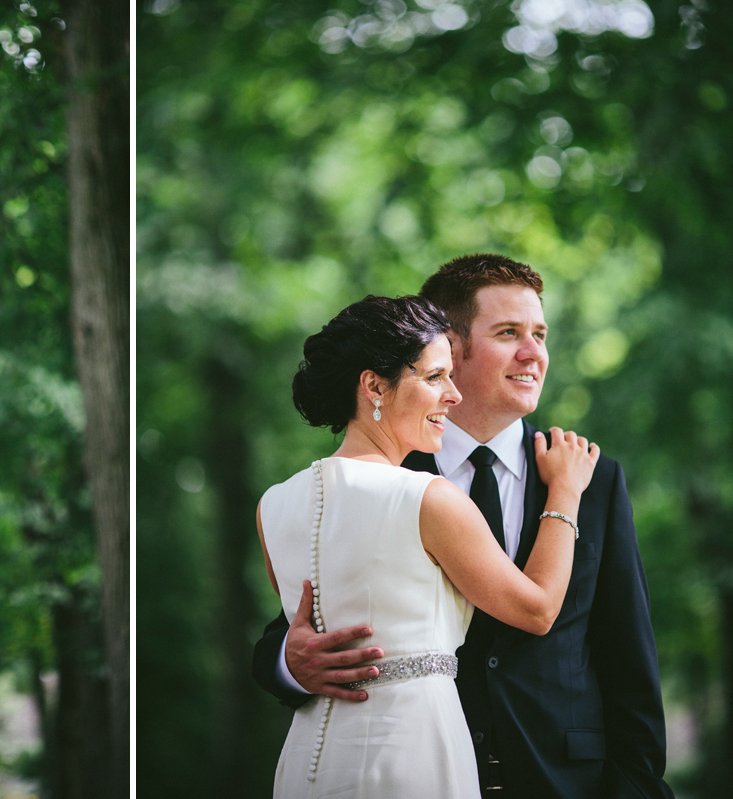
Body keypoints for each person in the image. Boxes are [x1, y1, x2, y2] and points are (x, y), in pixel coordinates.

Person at [253, 254, 674, 798]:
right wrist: (289, 661)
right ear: (449, 346)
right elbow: (300, 618)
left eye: (540, 335)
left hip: (564, 781)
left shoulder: (589, 476)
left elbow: (628, 656)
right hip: (419, 769)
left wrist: (637, 789)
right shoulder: (380, 481)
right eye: (509, 333)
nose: (534, 354)